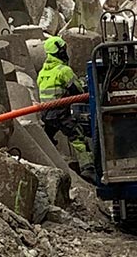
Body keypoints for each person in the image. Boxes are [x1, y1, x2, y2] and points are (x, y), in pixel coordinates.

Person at [38, 35, 92, 171]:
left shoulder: (42, 73)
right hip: (60, 113)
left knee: (47, 139)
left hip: (46, 114)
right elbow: (78, 92)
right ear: (61, 52)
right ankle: (88, 168)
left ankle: (48, 165)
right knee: (77, 136)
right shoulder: (64, 71)